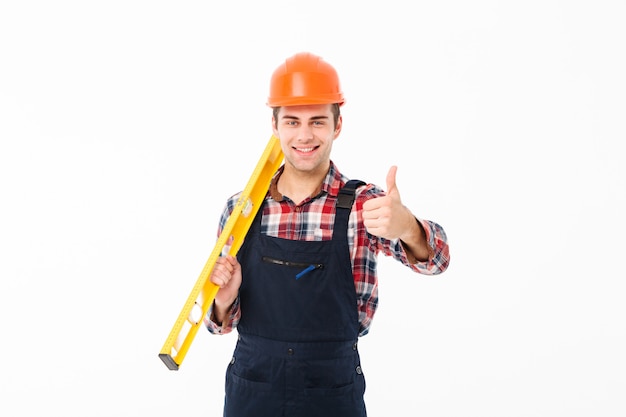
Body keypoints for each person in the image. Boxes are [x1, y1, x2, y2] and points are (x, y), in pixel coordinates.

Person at [204, 52, 450, 417]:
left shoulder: (364, 206)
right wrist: (224, 298)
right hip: (253, 387)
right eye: (292, 121)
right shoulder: (242, 210)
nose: (304, 135)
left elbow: (439, 261)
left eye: (318, 122)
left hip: (331, 392)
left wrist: (407, 227)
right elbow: (219, 325)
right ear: (275, 126)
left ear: (337, 126)